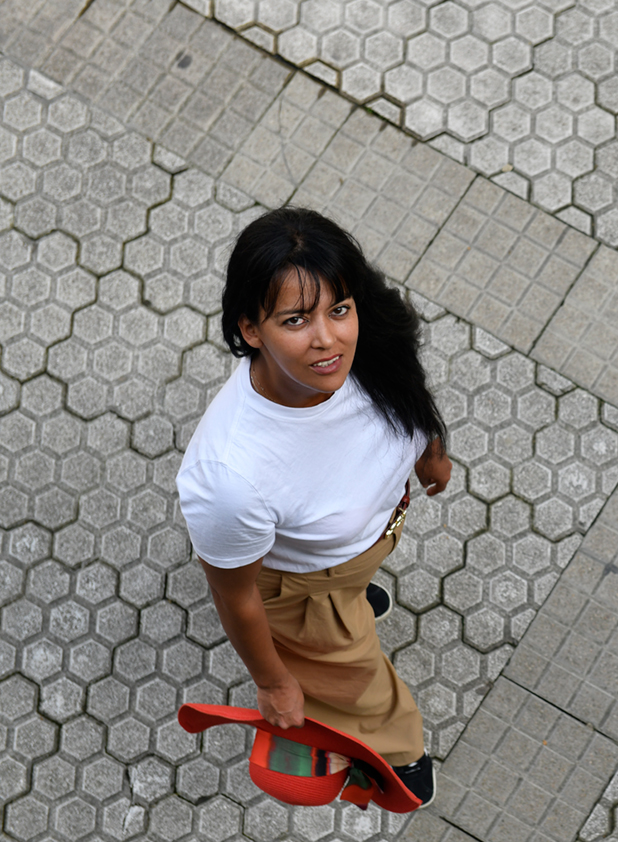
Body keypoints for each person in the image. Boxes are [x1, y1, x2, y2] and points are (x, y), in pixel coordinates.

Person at [176, 207, 450, 807]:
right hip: (303, 589)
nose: (327, 340)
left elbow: (407, 385)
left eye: (338, 310)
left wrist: (430, 446)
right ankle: (396, 753)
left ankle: (351, 599)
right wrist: (274, 685)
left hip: (364, 545)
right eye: (295, 320)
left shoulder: (368, 334)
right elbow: (235, 593)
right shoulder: (230, 479)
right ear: (251, 329)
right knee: (361, 683)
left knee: (355, 594)